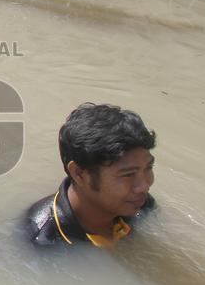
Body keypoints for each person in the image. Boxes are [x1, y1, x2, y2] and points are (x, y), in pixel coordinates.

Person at [24, 103, 157, 248]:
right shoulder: (45, 238)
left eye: (148, 167)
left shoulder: (141, 205)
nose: (144, 185)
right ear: (79, 173)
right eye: (128, 174)